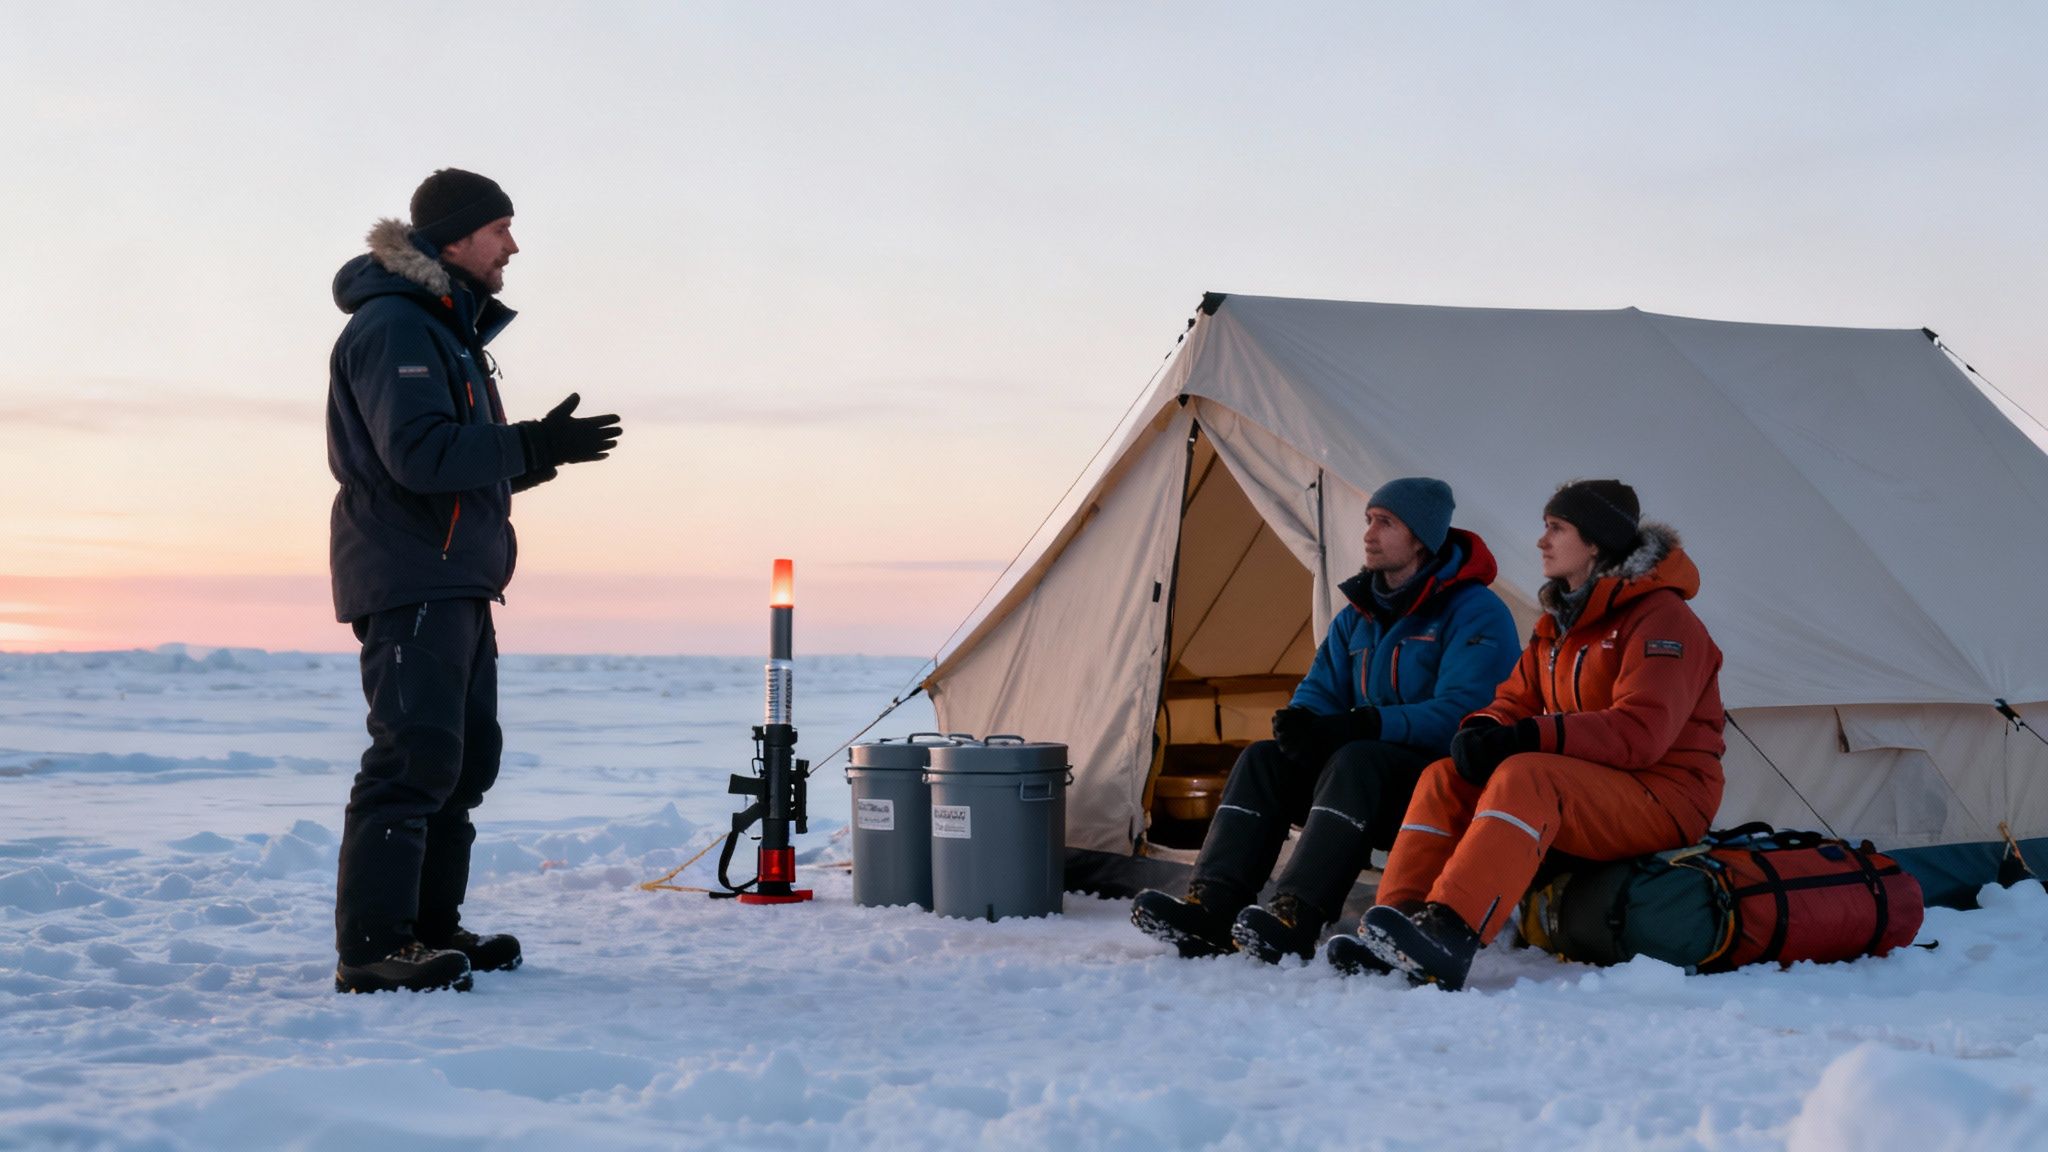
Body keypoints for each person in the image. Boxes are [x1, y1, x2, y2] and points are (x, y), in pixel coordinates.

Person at [327, 169, 624, 993]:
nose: (513, 246)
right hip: (409, 571)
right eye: (500, 229)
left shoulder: (447, 331)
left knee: (463, 762)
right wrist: (529, 444)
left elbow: (449, 464)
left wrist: (540, 453)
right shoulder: (395, 326)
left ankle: (427, 928)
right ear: (454, 238)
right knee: (414, 757)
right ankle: (374, 947)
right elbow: (417, 457)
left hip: (455, 573)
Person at [1327, 479, 1725, 990]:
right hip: (1598, 785)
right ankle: (1396, 924)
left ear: (1597, 542)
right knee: (1445, 777)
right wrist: (1483, 730)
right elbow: (1516, 699)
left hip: (1668, 794)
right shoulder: (1559, 624)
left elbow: (1640, 731)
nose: (1541, 541)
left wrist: (1527, 738)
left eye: (1556, 528)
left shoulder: (1664, 620)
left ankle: (1451, 930)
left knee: (1526, 775)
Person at [1131, 478, 1519, 963]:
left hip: (1436, 784)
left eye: (1385, 522)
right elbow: (1322, 689)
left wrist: (1363, 724)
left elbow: (1465, 713)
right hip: (1363, 773)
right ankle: (1213, 905)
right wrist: (1301, 721)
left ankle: (1297, 914)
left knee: (1359, 758)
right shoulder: (1359, 616)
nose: (1369, 534)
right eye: (1368, 520)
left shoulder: (1476, 612)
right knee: (1263, 760)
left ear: (1421, 537)